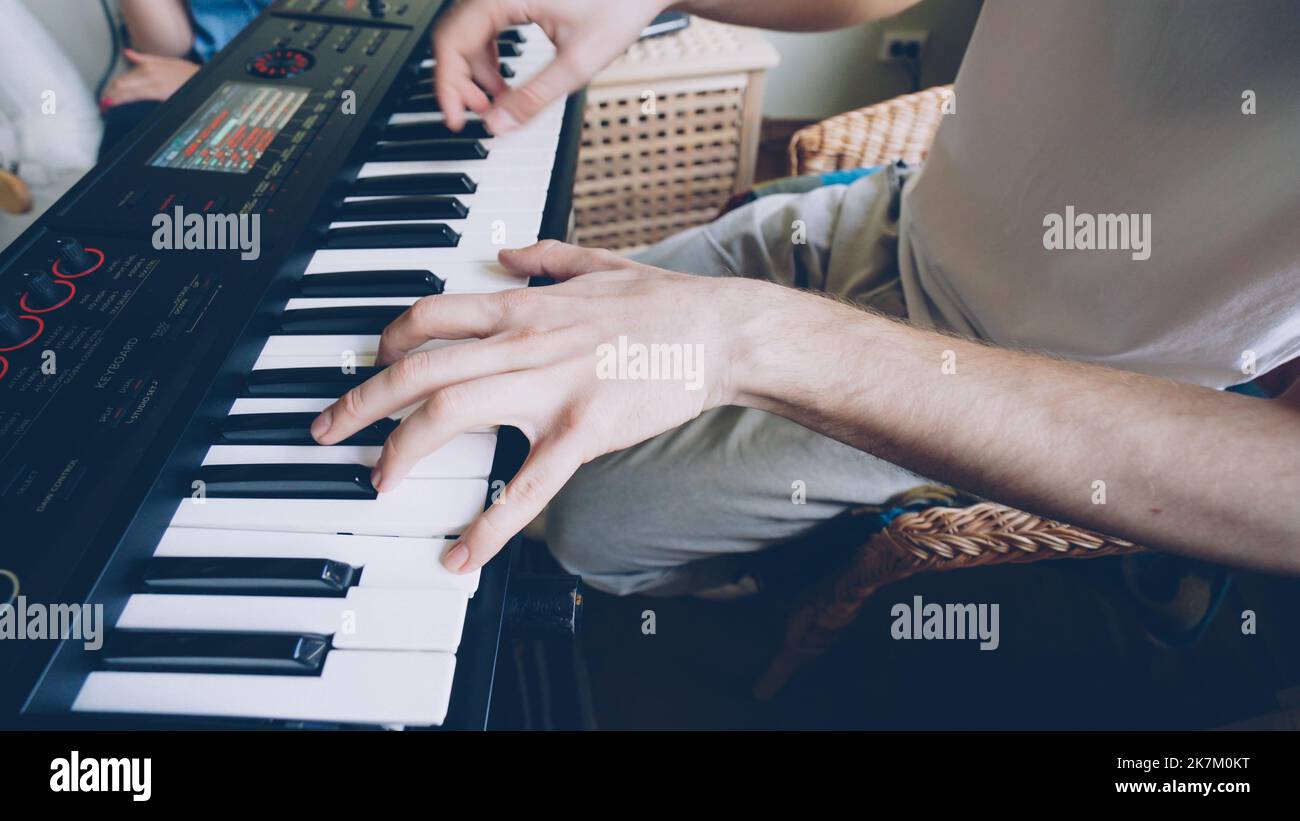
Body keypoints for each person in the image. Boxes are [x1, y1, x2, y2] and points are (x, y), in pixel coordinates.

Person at [308, 0, 1300, 596]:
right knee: (513, 351)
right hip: (899, 212)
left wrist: (755, 338)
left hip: (1035, 392)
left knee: (572, 517)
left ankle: (770, 564)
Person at [99, 0, 272, 158]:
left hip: (277, 77)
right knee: (132, 125)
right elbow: (168, 47)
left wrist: (204, 80)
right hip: (208, 62)